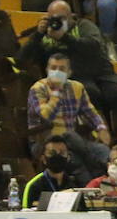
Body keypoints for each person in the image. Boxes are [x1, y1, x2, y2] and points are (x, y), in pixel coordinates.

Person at [20, 2, 117, 123]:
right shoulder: (43, 34)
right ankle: (96, 130)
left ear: (71, 16)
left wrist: (64, 37)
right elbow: (23, 57)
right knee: (89, 93)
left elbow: (94, 46)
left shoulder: (84, 26)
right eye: (54, 18)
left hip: (102, 72)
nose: (58, 22)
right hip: (74, 75)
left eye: (62, 18)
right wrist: (38, 34)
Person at [25, 52, 110, 181]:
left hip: (74, 143)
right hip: (45, 142)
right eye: (53, 68)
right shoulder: (38, 88)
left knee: (103, 150)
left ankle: (106, 182)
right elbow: (45, 116)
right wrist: (56, 93)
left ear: (69, 72)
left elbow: (90, 112)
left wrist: (101, 128)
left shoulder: (77, 87)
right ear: (47, 69)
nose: (57, 72)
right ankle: (92, 170)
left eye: (62, 69)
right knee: (74, 151)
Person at [22, 134, 82, 208]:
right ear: (43, 159)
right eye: (52, 153)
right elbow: (25, 214)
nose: (57, 156)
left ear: (68, 157)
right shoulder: (34, 186)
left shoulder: (75, 184)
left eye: (62, 153)